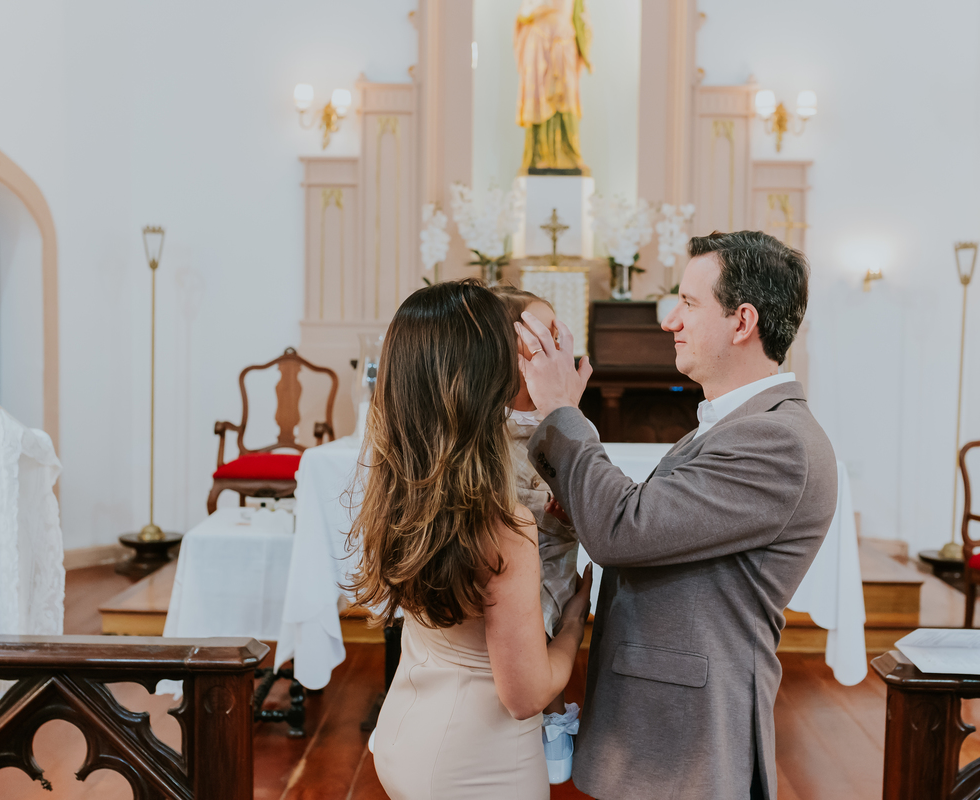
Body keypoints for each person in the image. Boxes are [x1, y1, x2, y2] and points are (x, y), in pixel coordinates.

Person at [516, 230, 838, 799]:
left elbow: (623, 530)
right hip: (661, 720)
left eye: (688, 303)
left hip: (686, 741)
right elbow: (651, 532)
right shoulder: (734, 424)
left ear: (742, 322)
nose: (670, 321)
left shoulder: (776, 439)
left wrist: (561, 409)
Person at [348, 279, 592, 800]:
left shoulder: (405, 488)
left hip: (405, 729)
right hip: (479, 763)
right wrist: (574, 623)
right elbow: (526, 695)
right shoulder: (503, 528)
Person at [492, 285, 584, 784]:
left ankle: (554, 715)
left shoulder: (562, 415)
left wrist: (568, 511)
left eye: (556, 337)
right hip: (506, 560)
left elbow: (585, 485)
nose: (552, 349)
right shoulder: (489, 424)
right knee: (523, 625)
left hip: (554, 553)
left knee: (551, 619)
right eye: (538, 339)